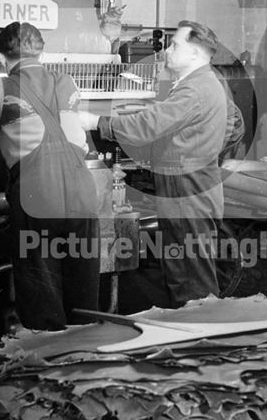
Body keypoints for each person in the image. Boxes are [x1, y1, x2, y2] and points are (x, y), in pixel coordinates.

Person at [0, 22, 99, 330]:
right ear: (41, 51)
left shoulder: (0, 87)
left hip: (38, 194)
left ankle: (45, 363)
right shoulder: (67, 81)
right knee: (81, 283)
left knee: (41, 286)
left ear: (3, 55)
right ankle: (83, 359)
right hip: (82, 191)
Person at [79, 21, 237, 306]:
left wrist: (96, 122)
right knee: (182, 270)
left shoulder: (196, 88)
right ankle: (192, 336)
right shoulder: (196, 83)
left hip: (187, 187)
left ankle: (202, 338)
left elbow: (150, 125)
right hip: (188, 184)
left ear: (195, 53)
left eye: (175, 45)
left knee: (192, 277)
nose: (167, 50)